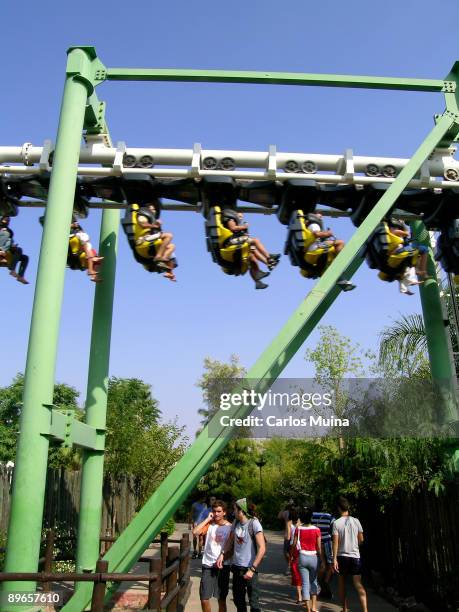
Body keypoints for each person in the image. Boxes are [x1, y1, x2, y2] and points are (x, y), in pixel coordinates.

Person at [217, 497, 266, 612]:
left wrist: (253, 569)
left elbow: (262, 548)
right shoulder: (236, 522)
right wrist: (222, 554)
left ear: (241, 511)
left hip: (250, 569)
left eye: (235, 509)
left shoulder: (254, 523)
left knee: (254, 603)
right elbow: (230, 540)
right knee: (238, 601)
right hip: (236, 568)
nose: (233, 512)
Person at [223, 210, 280, 290]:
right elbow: (233, 228)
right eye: (239, 216)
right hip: (231, 243)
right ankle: (268, 259)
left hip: (239, 244)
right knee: (255, 241)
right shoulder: (231, 219)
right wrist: (244, 227)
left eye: (241, 217)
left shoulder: (238, 224)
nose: (240, 218)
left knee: (252, 257)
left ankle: (258, 280)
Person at [193, 499, 232, 612]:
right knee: (204, 598)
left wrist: (224, 557)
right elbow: (195, 532)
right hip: (208, 565)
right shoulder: (209, 525)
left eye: (219, 511)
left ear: (224, 512)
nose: (216, 514)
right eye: (214, 511)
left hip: (223, 566)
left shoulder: (230, 527)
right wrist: (207, 519)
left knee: (221, 599)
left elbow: (231, 548)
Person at [332, 496, 368, 612]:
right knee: (358, 584)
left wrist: (334, 559)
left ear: (339, 508)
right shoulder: (356, 521)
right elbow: (361, 539)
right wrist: (355, 545)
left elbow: (335, 543)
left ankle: (344, 609)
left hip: (342, 556)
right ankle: (365, 610)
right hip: (355, 556)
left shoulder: (336, 523)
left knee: (342, 583)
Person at [305, 213, 355, 290]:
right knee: (340, 242)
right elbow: (317, 234)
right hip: (316, 248)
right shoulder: (314, 224)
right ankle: (339, 263)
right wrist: (328, 233)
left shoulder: (307, 226)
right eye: (319, 216)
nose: (321, 217)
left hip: (311, 252)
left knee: (326, 267)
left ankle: (341, 281)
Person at [292, 506, 323, 612]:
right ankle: (314, 607)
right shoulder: (317, 530)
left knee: (305, 583)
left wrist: (292, 555)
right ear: (311, 517)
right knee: (314, 581)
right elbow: (319, 547)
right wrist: (321, 560)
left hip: (302, 557)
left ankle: (308, 609)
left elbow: (294, 544)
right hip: (313, 557)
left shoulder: (298, 529)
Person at [136, 202, 176, 281]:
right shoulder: (142, 215)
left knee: (172, 247)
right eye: (152, 209)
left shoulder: (152, 220)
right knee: (169, 235)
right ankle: (158, 257)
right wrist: (155, 226)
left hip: (152, 239)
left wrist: (157, 226)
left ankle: (168, 271)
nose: (154, 211)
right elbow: (143, 224)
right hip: (143, 240)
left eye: (154, 209)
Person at [388, 218, 430, 287]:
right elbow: (406, 234)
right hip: (402, 251)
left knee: (412, 260)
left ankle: (413, 277)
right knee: (423, 250)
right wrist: (403, 225)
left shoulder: (390, 233)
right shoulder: (395, 232)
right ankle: (422, 270)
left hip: (401, 252)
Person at [311, 499, 334, 599]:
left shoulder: (312, 516)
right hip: (327, 542)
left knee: (318, 564)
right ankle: (325, 583)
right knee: (330, 565)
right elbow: (333, 530)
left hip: (315, 542)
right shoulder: (329, 516)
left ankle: (320, 585)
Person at [0, 216, 29, 284]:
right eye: (5, 220)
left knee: (23, 255)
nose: (6, 221)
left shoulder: (9, 232)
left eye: (8, 220)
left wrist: (13, 247)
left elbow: (9, 241)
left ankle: (19, 275)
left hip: (5, 251)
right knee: (6, 234)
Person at [288, 506, 302, 604]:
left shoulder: (291, 525)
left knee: (296, 572)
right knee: (302, 572)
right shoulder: (304, 525)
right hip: (304, 549)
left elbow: (290, 538)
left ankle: (300, 596)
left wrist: (290, 554)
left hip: (294, 548)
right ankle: (302, 594)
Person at [278, 503, 293, 574]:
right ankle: (290, 565)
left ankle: (291, 566)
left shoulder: (298, 512)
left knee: (290, 552)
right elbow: (279, 516)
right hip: (289, 535)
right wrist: (284, 508)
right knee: (286, 552)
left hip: (293, 535)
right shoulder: (286, 512)